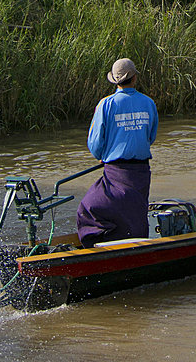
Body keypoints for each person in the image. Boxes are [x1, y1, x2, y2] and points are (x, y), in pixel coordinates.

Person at [77, 58, 159, 248]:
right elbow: (151, 136)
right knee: (134, 213)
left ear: (115, 81)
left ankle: (102, 245)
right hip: (140, 172)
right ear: (134, 78)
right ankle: (136, 245)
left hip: (115, 171)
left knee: (88, 208)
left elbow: (95, 142)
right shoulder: (148, 103)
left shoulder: (106, 104)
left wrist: (100, 155)